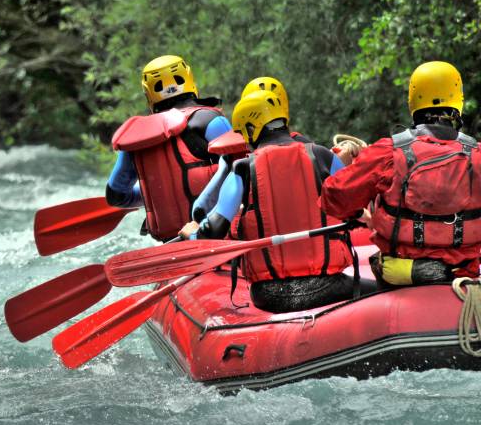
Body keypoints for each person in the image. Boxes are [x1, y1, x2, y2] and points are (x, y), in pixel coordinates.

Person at [180, 89, 357, 313]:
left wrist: (192, 234)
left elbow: (214, 230)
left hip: (270, 294)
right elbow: (356, 204)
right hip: (329, 285)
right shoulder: (323, 156)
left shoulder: (242, 168)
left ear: (251, 129)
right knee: (382, 288)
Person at [320, 61, 481, 287]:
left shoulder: (387, 152)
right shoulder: (478, 154)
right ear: (459, 101)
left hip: (401, 276)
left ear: (413, 102)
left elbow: (333, 199)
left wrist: (343, 165)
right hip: (463, 276)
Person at [106, 55, 232, 241]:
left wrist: (157, 192)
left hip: (171, 243)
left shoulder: (135, 139)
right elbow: (242, 173)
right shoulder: (210, 121)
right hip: (218, 234)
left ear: (149, 94)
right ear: (189, 80)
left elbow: (116, 196)